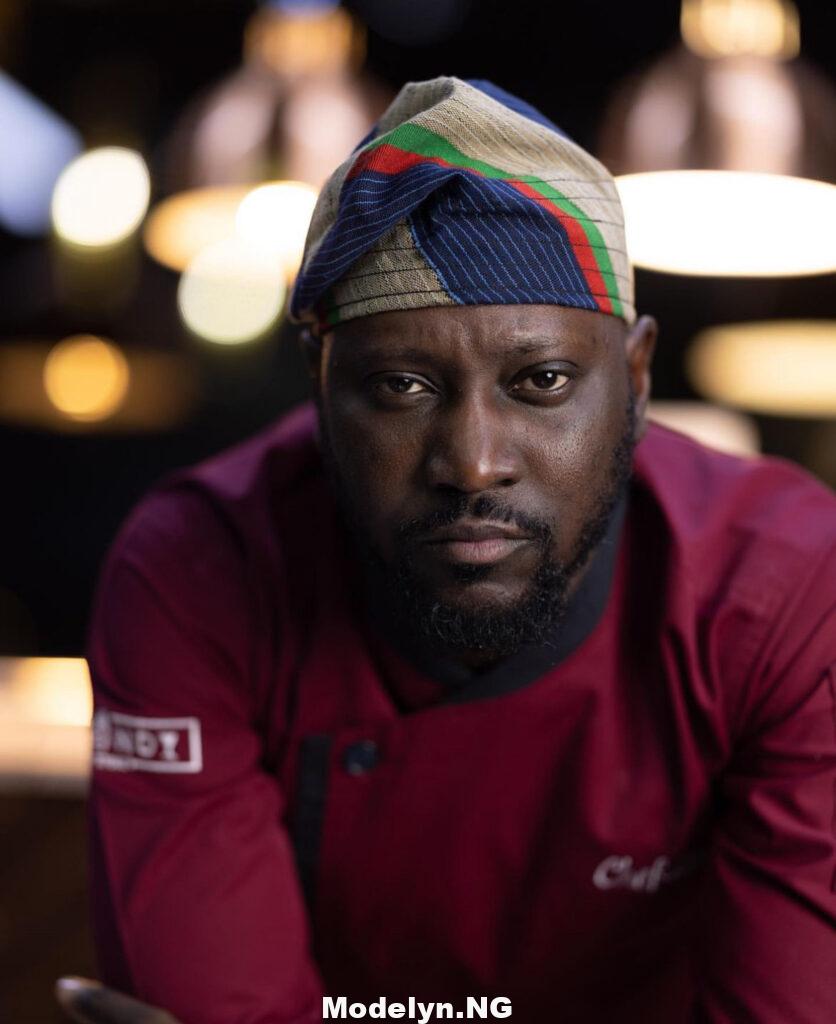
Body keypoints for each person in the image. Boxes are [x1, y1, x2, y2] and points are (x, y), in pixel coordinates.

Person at [59, 77, 835, 1024]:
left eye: (542, 381)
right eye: (401, 385)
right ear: (319, 384)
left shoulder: (789, 586)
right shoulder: (197, 569)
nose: (472, 462)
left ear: (634, 381)